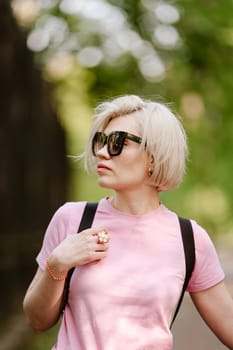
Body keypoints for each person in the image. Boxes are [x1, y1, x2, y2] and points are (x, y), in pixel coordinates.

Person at [23, 95, 233, 350]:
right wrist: (57, 265)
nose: (101, 151)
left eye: (117, 142)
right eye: (101, 141)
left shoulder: (189, 238)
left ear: (153, 156)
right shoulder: (73, 220)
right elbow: (37, 320)